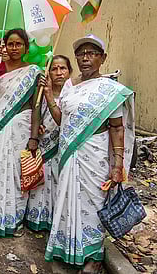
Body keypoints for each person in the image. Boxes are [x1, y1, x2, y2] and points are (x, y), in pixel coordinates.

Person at [44, 35, 135, 273]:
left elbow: (116, 127)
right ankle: (68, 247)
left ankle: (94, 256)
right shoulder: (69, 86)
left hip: (95, 156)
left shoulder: (109, 90)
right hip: (68, 155)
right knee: (67, 200)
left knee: (94, 202)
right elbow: (63, 122)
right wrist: (48, 98)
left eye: (92, 53)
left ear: (102, 58)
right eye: (81, 53)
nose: (86, 57)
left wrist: (118, 165)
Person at [0, 28, 42, 237]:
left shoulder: (34, 71)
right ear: (5, 45)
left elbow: (36, 107)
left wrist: (34, 137)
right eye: (11, 44)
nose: (14, 48)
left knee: (15, 173)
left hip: (21, 129)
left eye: (19, 44)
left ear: (25, 47)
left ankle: (13, 219)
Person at [25, 55, 72, 231]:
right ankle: (39, 219)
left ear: (69, 72)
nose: (59, 73)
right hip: (45, 142)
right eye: (54, 69)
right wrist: (35, 133)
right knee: (44, 180)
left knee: (60, 180)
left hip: (64, 144)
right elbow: (36, 113)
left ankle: (59, 220)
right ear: (48, 72)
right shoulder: (42, 92)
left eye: (63, 68)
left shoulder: (74, 92)